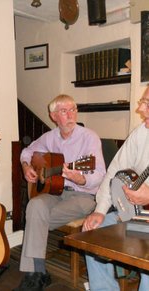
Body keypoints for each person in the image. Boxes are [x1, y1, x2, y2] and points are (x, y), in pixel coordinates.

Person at [14, 94, 106, 291]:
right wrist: (25, 167)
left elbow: (99, 175)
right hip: (56, 192)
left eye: (73, 109)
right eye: (64, 111)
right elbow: (27, 151)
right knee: (35, 205)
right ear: (53, 116)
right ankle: (38, 273)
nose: (71, 114)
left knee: (35, 216)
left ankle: (36, 274)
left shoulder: (89, 137)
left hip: (85, 196)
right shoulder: (49, 137)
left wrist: (80, 178)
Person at [83, 86, 149, 291]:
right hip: (140, 216)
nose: (141, 109)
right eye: (143, 102)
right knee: (94, 233)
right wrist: (100, 210)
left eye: (147, 104)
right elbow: (114, 170)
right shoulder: (141, 133)